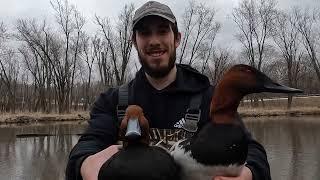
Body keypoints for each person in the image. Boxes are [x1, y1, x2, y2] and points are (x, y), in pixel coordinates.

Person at [66, 1, 271, 180]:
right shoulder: (112, 101)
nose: (154, 41)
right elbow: (88, 145)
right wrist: (86, 165)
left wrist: (248, 174)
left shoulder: (208, 97)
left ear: (177, 38)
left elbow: (250, 149)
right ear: (134, 42)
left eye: (163, 30)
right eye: (145, 33)